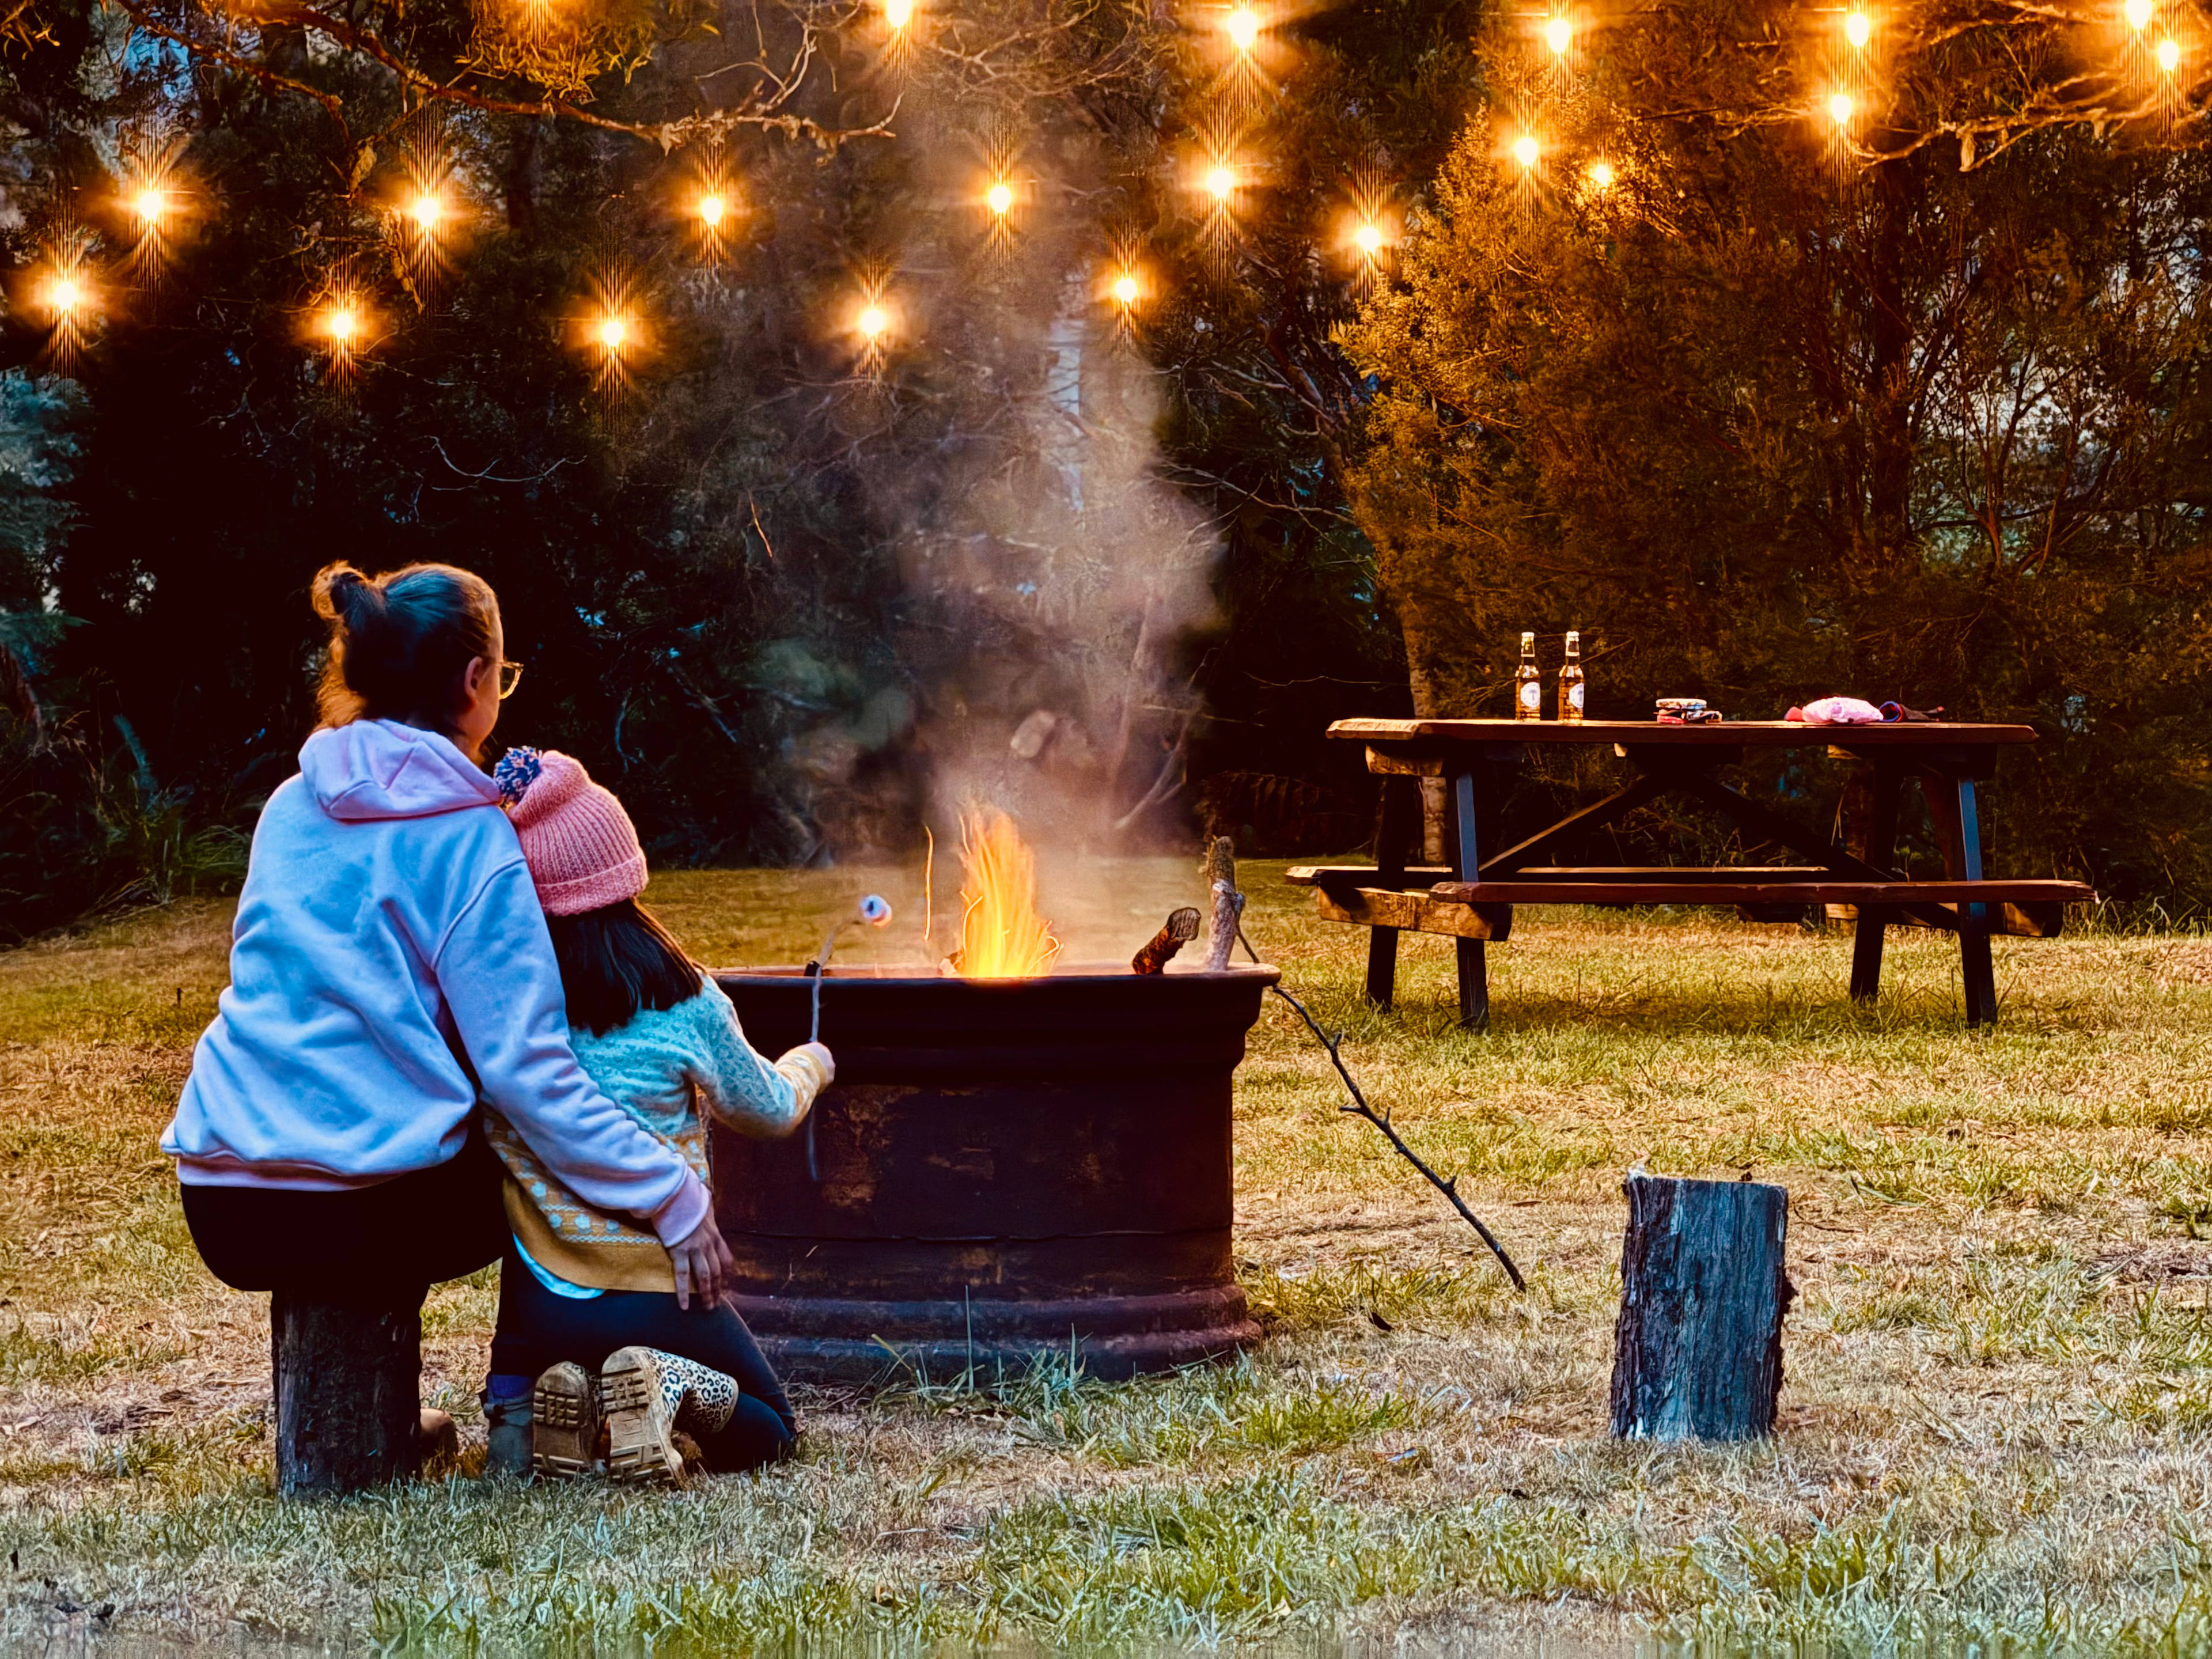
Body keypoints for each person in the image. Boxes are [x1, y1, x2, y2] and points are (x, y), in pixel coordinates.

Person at [162, 562, 734, 1468]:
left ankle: (388, 1427)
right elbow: (528, 1073)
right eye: (502, 675)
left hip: (223, 1198)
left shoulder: (289, 805)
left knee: (447, 1146)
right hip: (362, 1209)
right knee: (520, 1159)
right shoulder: (473, 841)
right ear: (475, 682)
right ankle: (528, 1395)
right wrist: (670, 1195)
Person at [481, 747, 832, 1486]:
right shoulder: (685, 1001)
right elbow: (765, 1110)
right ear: (626, 868)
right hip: (657, 1293)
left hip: (540, 1304)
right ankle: (663, 1384)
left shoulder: (505, 1018)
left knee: (535, 1315)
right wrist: (812, 1064)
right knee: (772, 1427)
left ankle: (530, 1420)